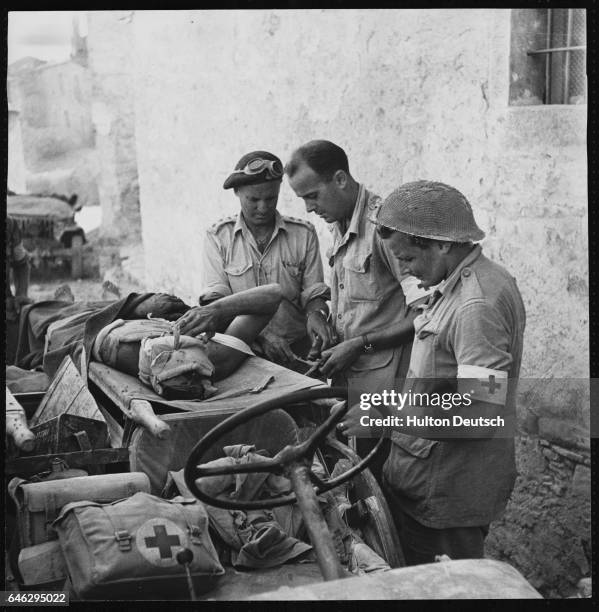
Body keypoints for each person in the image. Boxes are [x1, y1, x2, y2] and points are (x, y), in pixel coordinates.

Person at [339, 180, 526, 564]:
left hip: (446, 493)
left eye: (407, 259)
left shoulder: (477, 306)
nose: (404, 269)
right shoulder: (457, 285)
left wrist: (386, 414)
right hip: (426, 481)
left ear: (442, 244)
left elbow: (481, 414)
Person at [285, 140, 429, 472]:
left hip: (387, 390)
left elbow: (426, 315)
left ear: (339, 179)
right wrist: (325, 325)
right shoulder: (339, 223)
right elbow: (359, 303)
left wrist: (359, 344)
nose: (308, 208)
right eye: (303, 198)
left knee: (380, 479)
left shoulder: (385, 228)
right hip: (355, 384)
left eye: (312, 195)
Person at [200, 150, 333, 369]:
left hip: (296, 352)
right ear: (237, 193)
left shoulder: (303, 233)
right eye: (253, 199)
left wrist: (316, 315)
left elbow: (313, 292)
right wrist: (260, 337)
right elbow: (216, 304)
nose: (263, 208)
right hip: (241, 353)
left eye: (271, 198)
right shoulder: (218, 237)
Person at [6, 216, 32, 364]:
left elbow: (21, 264)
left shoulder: (10, 225)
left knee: (19, 358)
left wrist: (21, 295)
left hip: (7, 307)